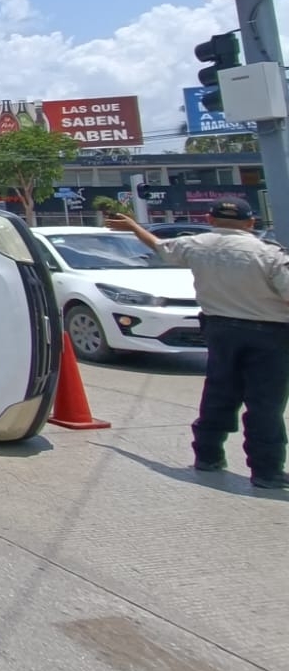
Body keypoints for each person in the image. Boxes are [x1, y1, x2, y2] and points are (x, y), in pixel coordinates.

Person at [107, 200, 289, 490]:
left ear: (210, 218)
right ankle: (266, 471)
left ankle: (208, 456)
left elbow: (159, 246)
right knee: (264, 403)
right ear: (251, 223)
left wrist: (133, 227)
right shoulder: (268, 253)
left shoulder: (197, 245)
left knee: (219, 393)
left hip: (219, 329)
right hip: (269, 335)